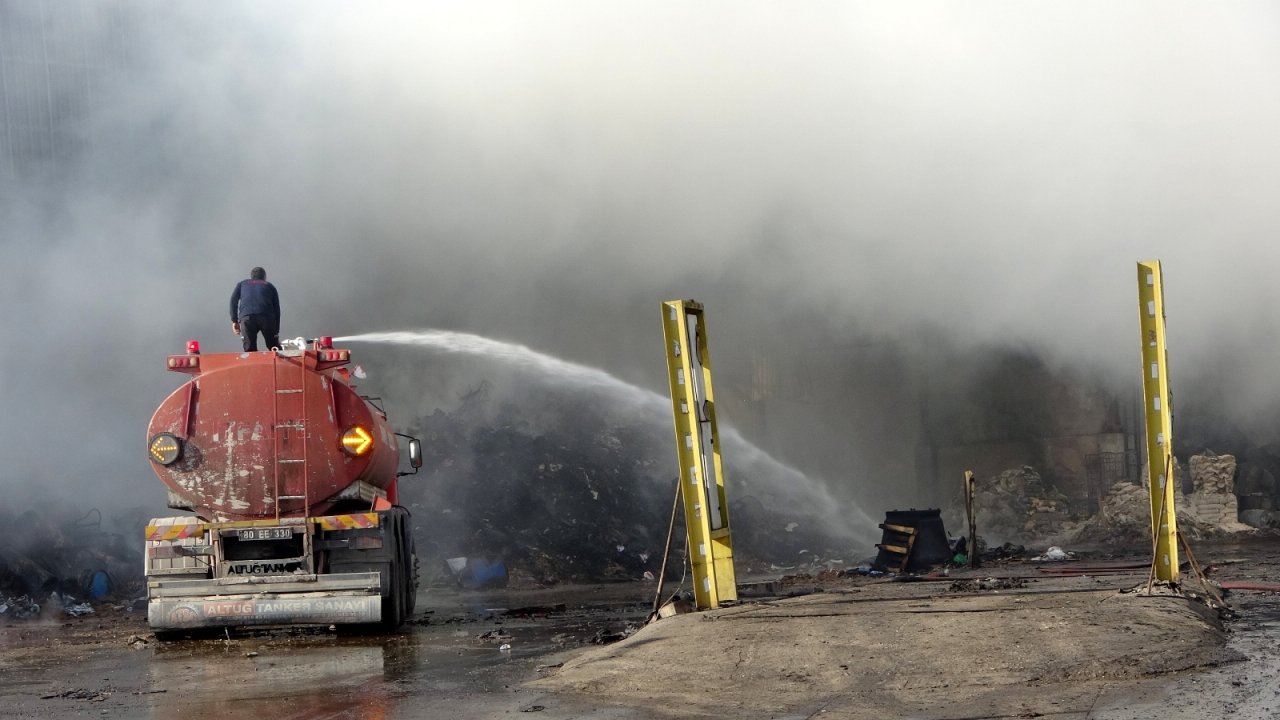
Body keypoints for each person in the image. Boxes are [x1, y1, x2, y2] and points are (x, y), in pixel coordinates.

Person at [230, 267, 281, 351]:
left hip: (247, 318)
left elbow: (233, 301)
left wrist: (234, 320)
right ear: (264, 277)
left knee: (249, 349)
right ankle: (281, 362)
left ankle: (253, 362)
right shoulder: (270, 286)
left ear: (251, 277)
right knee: (274, 348)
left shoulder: (242, 284)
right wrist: (276, 332)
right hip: (267, 317)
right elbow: (277, 310)